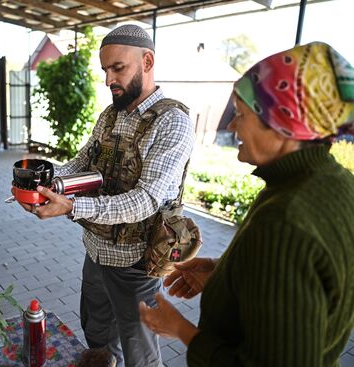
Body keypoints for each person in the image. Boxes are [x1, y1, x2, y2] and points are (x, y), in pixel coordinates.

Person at [139, 42, 354, 366]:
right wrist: (230, 274)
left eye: (241, 114)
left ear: (284, 123)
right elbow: (307, 284)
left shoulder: (285, 220)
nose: (231, 126)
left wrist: (180, 328)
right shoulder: (338, 183)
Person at [18, 24, 195, 366]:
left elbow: (146, 200)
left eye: (118, 68)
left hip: (136, 262)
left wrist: (71, 206)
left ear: (147, 61)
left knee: (138, 349)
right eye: (105, 70)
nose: (108, 80)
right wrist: (44, 182)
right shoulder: (111, 114)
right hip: (96, 250)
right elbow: (83, 161)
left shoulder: (172, 122)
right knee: (97, 333)